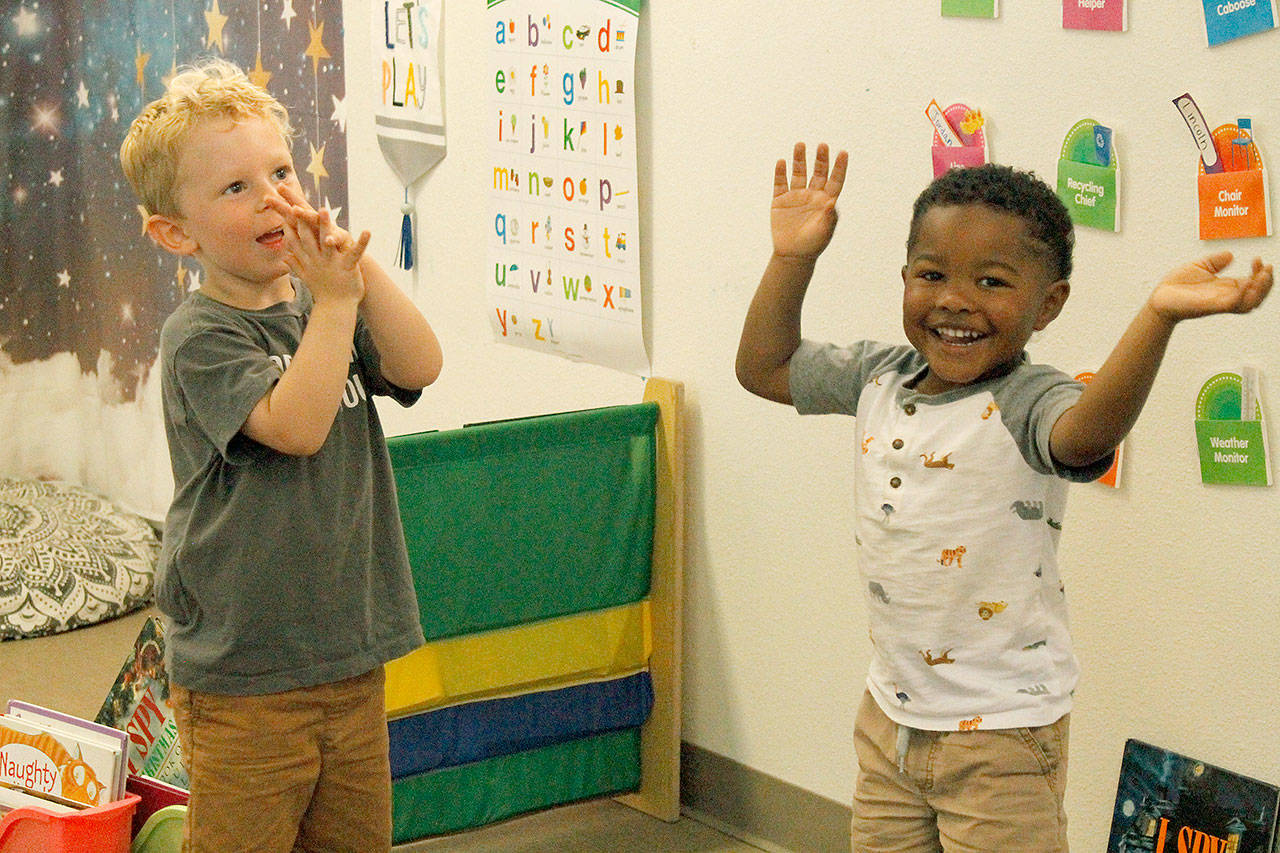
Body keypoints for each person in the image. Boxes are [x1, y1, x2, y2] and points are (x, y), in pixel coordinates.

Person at [735, 142, 1272, 851]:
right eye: (932, 274)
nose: (955, 298)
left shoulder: (1029, 398)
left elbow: (1083, 436)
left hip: (1002, 737)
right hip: (890, 719)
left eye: (992, 281)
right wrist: (793, 257)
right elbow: (763, 367)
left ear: (1048, 304)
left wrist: (1157, 317)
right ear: (904, 280)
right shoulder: (879, 375)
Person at [120, 58, 442, 852]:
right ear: (176, 232)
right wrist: (335, 303)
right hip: (245, 674)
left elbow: (419, 364)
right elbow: (297, 427)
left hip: (348, 654)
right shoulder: (201, 335)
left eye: (281, 171)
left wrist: (349, 265)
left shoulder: (326, 305)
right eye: (234, 188)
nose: (271, 197)